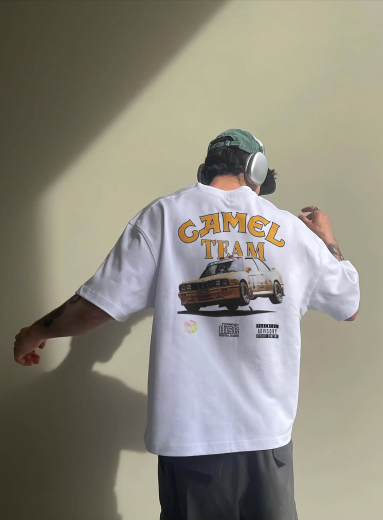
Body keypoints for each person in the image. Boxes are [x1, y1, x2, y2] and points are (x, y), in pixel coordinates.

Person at [14, 129, 360, 520]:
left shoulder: (163, 216)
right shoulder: (292, 231)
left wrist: (35, 332)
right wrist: (327, 240)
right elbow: (349, 304)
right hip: (267, 440)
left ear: (205, 168)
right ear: (256, 171)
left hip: (193, 441)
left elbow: (97, 305)